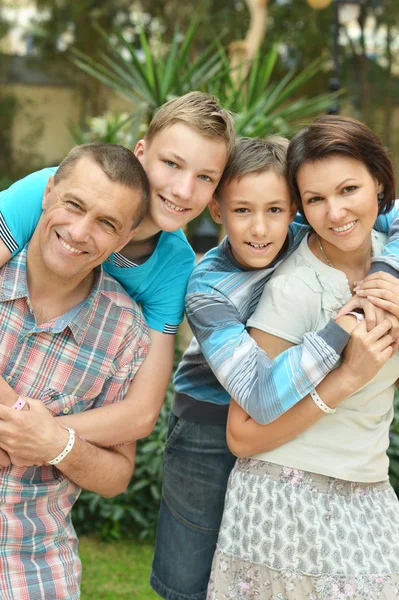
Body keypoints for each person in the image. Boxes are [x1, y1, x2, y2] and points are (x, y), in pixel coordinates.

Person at [150, 136, 399, 600]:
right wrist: (341, 328)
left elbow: (390, 210)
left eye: (276, 210)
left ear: (294, 209)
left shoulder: (318, 226)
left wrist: (388, 272)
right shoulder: (209, 287)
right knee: (188, 579)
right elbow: (262, 395)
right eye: (242, 211)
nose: (260, 229)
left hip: (286, 428)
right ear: (218, 211)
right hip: (208, 421)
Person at [0, 91, 235, 447]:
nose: (184, 190)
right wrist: (15, 414)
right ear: (141, 153)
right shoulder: (54, 194)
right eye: (172, 164)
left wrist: (38, 434)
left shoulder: (174, 265)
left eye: (205, 177)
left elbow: (140, 413)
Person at [0, 143, 150, 600]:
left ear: (124, 241)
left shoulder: (125, 331)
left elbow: (116, 475)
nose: (80, 232)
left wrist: (56, 443)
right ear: (48, 193)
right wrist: (21, 418)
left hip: (30, 563)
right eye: (74, 205)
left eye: (106, 224)